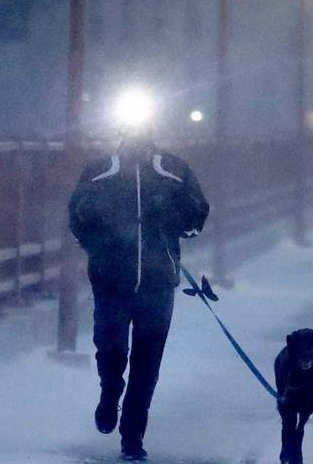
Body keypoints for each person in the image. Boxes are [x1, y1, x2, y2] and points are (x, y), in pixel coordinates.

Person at [68, 124, 209, 462]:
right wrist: (101, 246)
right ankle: (110, 391)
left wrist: (173, 216)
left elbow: (197, 216)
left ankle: (132, 437)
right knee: (111, 347)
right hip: (110, 280)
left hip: (158, 282)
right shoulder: (100, 171)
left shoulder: (172, 170)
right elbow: (77, 217)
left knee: (147, 365)